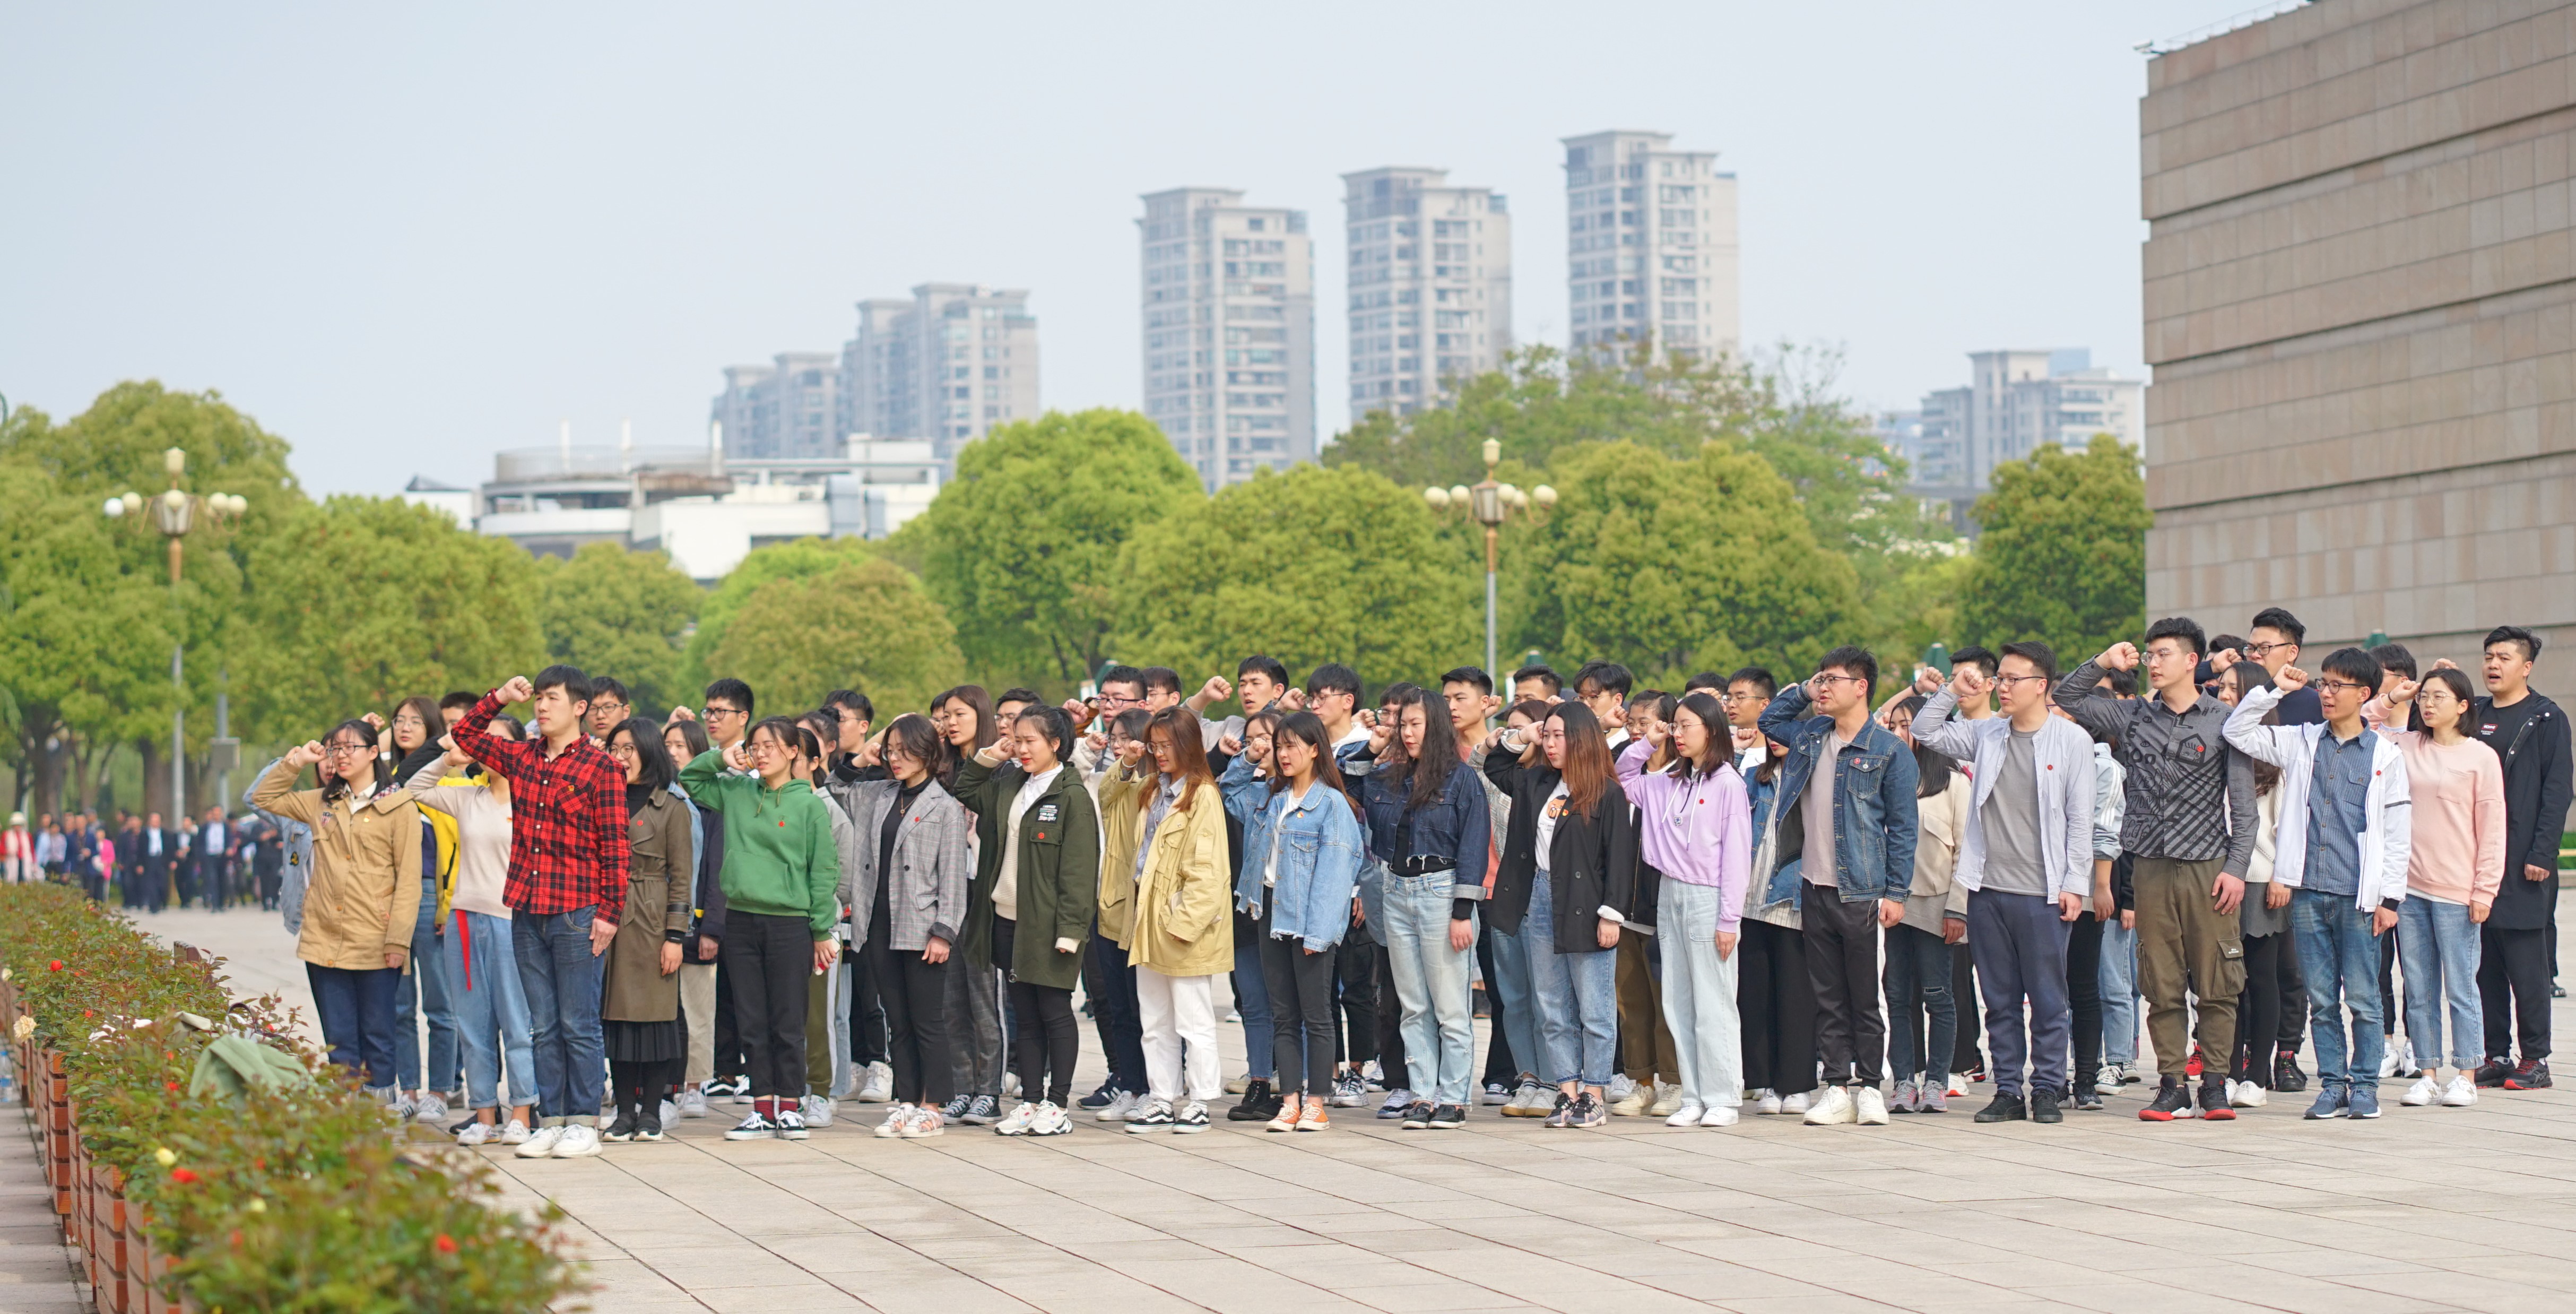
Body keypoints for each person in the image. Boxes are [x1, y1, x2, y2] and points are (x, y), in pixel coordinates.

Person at [2059, 622, 2258, 1122]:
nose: (2152, 662)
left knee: (2217, 980)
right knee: (2160, 980)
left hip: (2208, 865)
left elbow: (2244, 806)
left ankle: (2214, 1083)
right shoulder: (2133, 716)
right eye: (2148, 654)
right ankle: (2171, 1084)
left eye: (2163, 654)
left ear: (2192, 661)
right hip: (2149, 865)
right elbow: (2066, 696)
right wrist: (2104, 661)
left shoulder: (2225, 721)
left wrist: (2236, 869)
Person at [453, 668, 632, 1161]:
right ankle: (550, 1121)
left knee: (578, 1024)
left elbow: (616, 847)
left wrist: (609, 914)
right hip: (527, 910)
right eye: (538, 699)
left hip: (578, 910)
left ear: (579, 707)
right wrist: (499, 697)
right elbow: (465, 735)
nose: (541, 706)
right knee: (543, 1025)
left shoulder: (602, 768)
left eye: (552, 698)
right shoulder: (523, 757)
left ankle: (584, 1122)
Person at [2224, 650, 2412, 1120]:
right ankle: (2332, 1085)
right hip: (2307, 891)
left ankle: (2364, 1086)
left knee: (2364, 999)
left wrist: (2390, 899)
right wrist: (2275, 689)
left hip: (2359, 897)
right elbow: (2237, 731)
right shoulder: (2301, 741)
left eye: (2336, 686)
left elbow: (2397, 833)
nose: (2325, 694)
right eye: (2323, 684)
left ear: (2363, 694)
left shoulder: (2385, 755)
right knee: (2322, 1001)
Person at [1915, 643, 2096, 1125]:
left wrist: (2074, 884)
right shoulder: (1988, 734)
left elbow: (2081, 819)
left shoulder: (2071, 740)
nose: (2003, 688)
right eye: (2001, 679)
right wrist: (1952, 690)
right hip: (1987, 888)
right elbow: (1925, 730)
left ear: (2041, 685)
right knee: (1998, 1000)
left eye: (2014, 679)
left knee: (2048, 999)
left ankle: (2047, 1088)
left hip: (2043, 892)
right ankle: (2008, 1090)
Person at [1759, 646, 1920, 1127]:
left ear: (1861, 687)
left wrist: (1896, 893)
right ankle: (1835, 1087)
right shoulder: (1811, 736)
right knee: (1826, 995)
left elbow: (1903, 828)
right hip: (1813, 884)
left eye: (1832, 680)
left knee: (1864, 995)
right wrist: (1803, 692)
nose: (1823, 687)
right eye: (1820, 679)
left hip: (1863, 890)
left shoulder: (1888, 750)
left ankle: (1870, 1087)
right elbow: (1769, 720)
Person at [679, 713, 840, 1142]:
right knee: (751, 1019)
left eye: (771, 746)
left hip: (790, 923)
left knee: (787, 1019)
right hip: (741, 919)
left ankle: (790, 1105)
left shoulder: (808, 804)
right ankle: (762, 1108)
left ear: (793, 752)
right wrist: (722, 757)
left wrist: (821, 930)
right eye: (755, 746)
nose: (761, 753)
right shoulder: (736, 791)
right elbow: (689, 780)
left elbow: (823, 870)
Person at [1484, 701, 1640, 1128]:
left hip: (1587, 903)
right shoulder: (1536, 782)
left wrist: (1611, 915)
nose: (1550, 745)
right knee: (1551, 1005)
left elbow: (1620, 859)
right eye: (1547, 736)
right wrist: (1524, 735)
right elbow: (1495, 765)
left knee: (1594, 1007)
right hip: (1539, 896)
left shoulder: (1606, 793)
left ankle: (1594, 1094)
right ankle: (1566, 1092)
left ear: (1582, 739)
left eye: (1559, 736)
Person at [251, 720, 423, 1098]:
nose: (341, 756)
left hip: (376, 939)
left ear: (374, 752)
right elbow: (262, 798)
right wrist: (297, 761)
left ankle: (380, 1106)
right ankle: (347, 1110)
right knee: (338, 1035)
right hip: (324, 938)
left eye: (351, 748)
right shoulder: (321, 802)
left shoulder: (399, 806)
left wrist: (398, 940)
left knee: (378, 1032)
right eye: (335, 749)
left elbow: (410, 880)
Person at [1220, 711, 1365, 1131]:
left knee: (1316, 1014)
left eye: (1291, 747)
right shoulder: (1270, 798)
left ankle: (1316, 1102)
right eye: (1278, 746)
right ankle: (1289, 1102)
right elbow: (1228, 791)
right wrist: (1250, 756)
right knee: (1283, 1014)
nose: (1283, 755)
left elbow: (1336, 875)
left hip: (1309, 918)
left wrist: (1319, 933)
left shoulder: (1330, 804)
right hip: (1269, 911)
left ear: (1315, 750)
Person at [1614, 690, 1753, 1127]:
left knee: (1714, 1001)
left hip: (1708, 895)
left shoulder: (1727, 783)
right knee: (1677, 1001)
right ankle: (1692, 1095)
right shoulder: (1668, 781)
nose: (1677, 734)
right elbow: (1622, 776)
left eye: (1684, 726)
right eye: (1674, 725)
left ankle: (1722, 1097)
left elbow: (1736, 857)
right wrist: (1648, 741)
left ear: (1710, 730)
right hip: (1670, 893)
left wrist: (1728, 919)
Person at [960, 707, 1100, 1138]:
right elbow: (965, 788)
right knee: (1024, 1015)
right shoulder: (1010, 784)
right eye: (1016, 740)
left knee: (1054, 1012)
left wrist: (1071, 931)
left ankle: (1057, 1104)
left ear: (1055, 744)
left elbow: (1079, 871)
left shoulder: (1071, 796)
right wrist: (993, 754)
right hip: (1006, 920)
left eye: (1029, 741)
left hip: (1048, 925)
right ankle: (1031, 1100)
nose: (1021, 749)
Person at [2369, 667, 2504, 1107]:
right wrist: (2394, 698)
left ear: (2463, 705)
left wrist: (2484, 890)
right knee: (2418, 988)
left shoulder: (2480, 757)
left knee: (2461, 988)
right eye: (2423, 697)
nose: (2427, 704)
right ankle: (2426, 1074)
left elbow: (2492, 829)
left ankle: (2466, 1074)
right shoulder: (2405, 745)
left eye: (2438, 697)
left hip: (2457, 891)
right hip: (2409, 889)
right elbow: (2361, 725)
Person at [1359, 686, 1491, 1129]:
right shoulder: (1390, 777)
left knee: (1450, 1007)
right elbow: (1347, 777)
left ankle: (1453, 1097)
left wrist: (1462, 912)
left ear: (1435, 726)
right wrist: (1374, 744)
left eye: (1416, 724)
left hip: (1441, 890)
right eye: (1403, 725)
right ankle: (1422, 1094)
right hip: (1396, 890)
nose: (1407, 733)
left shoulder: (1461, 779)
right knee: (1413, 1005)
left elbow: (1473, 845)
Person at [835, 715, 973, 1138]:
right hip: (877, 924)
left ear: (928, 753)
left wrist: (944, 931)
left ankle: (933, 1105)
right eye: (891, 751)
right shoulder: (878, 794)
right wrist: (867, 753)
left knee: (927, 1020)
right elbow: (835, 787)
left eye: (905, 751)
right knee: (898, 1020)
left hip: (922, 925)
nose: (895, 759)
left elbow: (953, 875)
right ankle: (907, 1101)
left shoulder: (944, 806)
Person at [404, 719, 539, 1147]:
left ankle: (522, 1113)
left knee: (517, 1023)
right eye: (485, 740)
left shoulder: (534, 801)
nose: (491, 747)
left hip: (512, 922)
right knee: (473, 1025)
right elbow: (411, 787)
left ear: (520, 748)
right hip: (465, 920)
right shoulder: (467, 797)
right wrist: (449, 757)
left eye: (500, 740)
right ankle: (484, 1115)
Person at [2464, 627, 2571, 1090]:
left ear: (2525, 667)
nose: (2492, 664)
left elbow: (2557, 790)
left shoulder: (2545, 718)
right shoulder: (2474, 714)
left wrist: (2542, 852)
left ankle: (2535, 1059)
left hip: (2523, 861)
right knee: (2484, 964)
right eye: (2488, 656)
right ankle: (2495, 1054)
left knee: (2526, 965)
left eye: (2503, 657)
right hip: (2475, 860)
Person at [1120, 706, 1234, 1134]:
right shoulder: (1152, 789)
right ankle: (1162, 1097)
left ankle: (1200, 1099)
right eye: (1155, 745)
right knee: (1154, 1020)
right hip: (1147, 919)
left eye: (1168, 745)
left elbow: (1207, 872)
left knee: (1193, 1018)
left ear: (1188, 745)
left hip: (1183, 924)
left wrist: (1183, 925)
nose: (1160, 753)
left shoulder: (1203, 795)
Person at [1727, 666, 1818, 1117]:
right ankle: (1764, 1082)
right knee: (1756, 997)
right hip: (1750, 901)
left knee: (1795, 997)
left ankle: (1797, 1083)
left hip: (1792, 901)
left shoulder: (1813, 780)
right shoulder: (1753, 778)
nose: (1779, 739)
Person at [600, 719, 695, 1142]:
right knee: (617, 1018)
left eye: (629, 749)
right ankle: (623, 1111)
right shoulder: (603, 799)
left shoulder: (672, 807)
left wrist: (675, 936)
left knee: (656, 1019)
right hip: (609, 916)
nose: (620, 757)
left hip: (653, 918)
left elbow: (682, 877)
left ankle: (652, 1110)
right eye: (614, 749)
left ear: (649, 751)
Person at [1876, 695, 1967, 1116]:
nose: (1899, 733)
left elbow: (1965, 851)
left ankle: (1936, 1081)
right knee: (1897, 997)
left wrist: (1957, 910)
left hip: (1936, 905)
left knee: (1938, 995)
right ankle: (1903, 1082)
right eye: (1894, 725)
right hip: (1891, 904)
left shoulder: (1954, 783)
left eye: (1907, 725)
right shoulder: (1883, 777)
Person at [929, 685, 1008, 1121]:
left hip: (983, 892)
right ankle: (961, 1087)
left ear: (981, 714)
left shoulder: (1000, 767)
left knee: (984, 998)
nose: (950, 723)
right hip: (944, 891)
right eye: (945, 716)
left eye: (959, 714)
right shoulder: (940, 768)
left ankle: (989, 1090)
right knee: (950, 1000)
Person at [2214, 663, 2290, 1110]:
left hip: (2261, 880)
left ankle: (2257, 1076)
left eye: (2231, 688)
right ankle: (2228, 1071)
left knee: (2261, 979)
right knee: (2226, 983)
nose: (2223, 694)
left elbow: (2287, 823)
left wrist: (2281, 875)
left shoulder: (2274, 754)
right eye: (2221, 687)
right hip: (2217, 878)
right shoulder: (2213, 743)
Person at [1083, 705, 1156, 1120]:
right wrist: (1125, 762)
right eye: (1114, 739)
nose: (1118, 746)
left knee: (1148, 1008)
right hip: (1111, 908)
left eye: (1126, 738)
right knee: (1119, 1008)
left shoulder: (1159, 785)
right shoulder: (1119, 781)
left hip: (1146, 911)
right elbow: (1106, 792)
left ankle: (1155, 1088)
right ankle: (1129, 1086)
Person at [1489, 698, 1557, 1117]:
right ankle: (1527, 1076)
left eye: (1524, 728)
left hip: (1546, 898)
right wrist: (1518, 738)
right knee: (1514, 997)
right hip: (1509, 897)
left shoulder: (1551, 780)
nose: (1514, 736)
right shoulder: (1515, 778)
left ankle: (1552, 1078)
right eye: (1510, 730)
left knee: (1546, 997)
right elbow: (1492, 763)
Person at [662, 717, 729, 1120]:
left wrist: (712, 929)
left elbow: (717, 869)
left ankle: (694, 1085)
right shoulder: (659, 800)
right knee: (664, 1012)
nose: (672, 753)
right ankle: (665, 1086)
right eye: (667, 745)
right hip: (661, 923)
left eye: (681, 746)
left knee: (698, 1011)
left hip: (699, 923)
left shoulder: (711, 804)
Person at [2236, 608, 2323, 725]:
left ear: (2292, 653)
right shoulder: (2234, 696)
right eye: (2251, 648)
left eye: (2264, 648)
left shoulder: (2317, 706)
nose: (2255, 655)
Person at [586, 677, 632, 742]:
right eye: (592, 709)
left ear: (626, 711)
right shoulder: (578, 747)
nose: (600, 716)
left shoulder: (640, 746)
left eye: (608, 707)